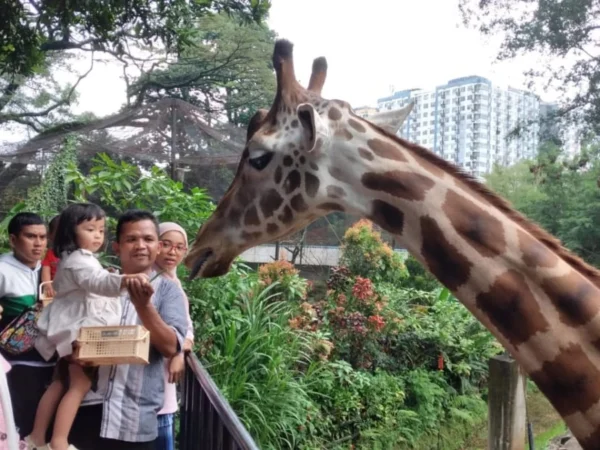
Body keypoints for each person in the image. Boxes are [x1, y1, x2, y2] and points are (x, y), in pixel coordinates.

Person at [26, 203, 150, 450]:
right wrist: (127, 280)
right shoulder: (80, 260)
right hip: (77, 334)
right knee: (79, 385)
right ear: (72, 232)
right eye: (90, 229)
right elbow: (99, 283)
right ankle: (59, 441)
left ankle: (36, 438)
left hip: (67, 331)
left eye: (101, 230)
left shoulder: (74, 259)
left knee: (59, 382)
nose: (97, 235)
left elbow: (96, 280)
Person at [68, 210, 188, 450]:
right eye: (132, 239)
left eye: (148, 239)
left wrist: (144, 307)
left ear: (156, 247)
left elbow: (169, 346)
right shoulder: (96, 285)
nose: (141, 246)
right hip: (86, 409)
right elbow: (69, 333)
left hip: (135, 418)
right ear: (117, 246)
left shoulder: (168, 291)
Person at [0, 212, 55, 439]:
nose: (38, 243)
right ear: (13, 240)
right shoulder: (3, 270)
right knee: (20, 428)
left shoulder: (50, 268)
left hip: (53, 365)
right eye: (31, 236)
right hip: (17, 366)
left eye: (43, 237)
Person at [155, 222, 194, 450]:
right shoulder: (148, 280)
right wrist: (178, 349)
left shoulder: (175, 285)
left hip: (166, 380)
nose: (172, 252)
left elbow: (188, 329)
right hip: (146, 382)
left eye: (179, 247)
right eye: (166, 244)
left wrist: (181, 351)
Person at [40, 215, 60, 298]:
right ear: (50, 235)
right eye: (59, 233)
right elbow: (46, 270)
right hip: (53, 290)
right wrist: (48, 285)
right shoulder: (50, 253)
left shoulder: (76, 254)